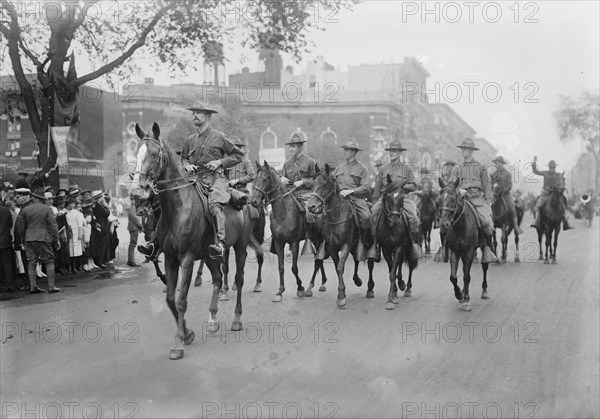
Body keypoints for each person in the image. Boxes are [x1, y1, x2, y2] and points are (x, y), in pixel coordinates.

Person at [140, 98, 243, 260]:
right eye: (193, 112)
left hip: (216, 179)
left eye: (198, 113)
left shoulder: (220, 137)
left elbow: (238, 155)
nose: (194, 115)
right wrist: (187, 165)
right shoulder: (190, 140)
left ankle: (220, 244)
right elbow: (184, 159)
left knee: (214, 205)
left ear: (208, 117)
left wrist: (219, 162)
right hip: (193, 179)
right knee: (169, 203)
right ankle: (155, 243)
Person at [371, 139, 422, 260]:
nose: (392, 153)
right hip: (386, 199)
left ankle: (413, 244)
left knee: (413, 217)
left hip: (403, 198)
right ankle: (375, 247)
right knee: (372, 216)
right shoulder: (383, 169)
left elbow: (414, 185)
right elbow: (378, 188)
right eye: (390, 151)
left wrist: (404, 187)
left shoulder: (407, 169)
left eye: (394, 151)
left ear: (400, 153)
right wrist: (375, 201)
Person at [447, 138, 497, 263]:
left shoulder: (480, 167)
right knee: (447, 222)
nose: (463, 151)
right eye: (462, 149)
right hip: (462, 201)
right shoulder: (457, 168)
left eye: (465, 149)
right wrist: (458, 191)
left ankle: (487, 250)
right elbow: (451, 186)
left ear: (471, 151)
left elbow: (486, 185)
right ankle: (445, 249)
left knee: (487, 224)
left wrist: (488, 200)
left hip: (477, 200)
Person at [16, 188, 61, 293]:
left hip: (29, 238)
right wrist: (56, 239)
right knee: (49, 261)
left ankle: (33, 287)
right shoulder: (47, 209)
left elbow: (21, 227)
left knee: (31, 262)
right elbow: (53, 225)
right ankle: (51, 286)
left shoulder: (25, 209)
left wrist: (23, 239)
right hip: (43, 237)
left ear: (34, 198)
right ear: (42, 199)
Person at [331, 139, 373, 252]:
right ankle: (324, 242)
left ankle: (364, 243)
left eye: (347, 150)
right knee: (322, 216)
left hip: (356, 198)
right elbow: (331, 182)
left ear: (354, 152)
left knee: (366, 217)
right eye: (344, 149)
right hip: (339, 199)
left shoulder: (362, 168)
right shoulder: (339, 168)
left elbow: (365, 187)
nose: (344, 152)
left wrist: (352, 191)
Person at [530, 156, 573, 230]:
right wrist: (534, 163)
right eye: (550, 167)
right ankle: (536, 221)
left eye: (553, 167)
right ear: (549, 167)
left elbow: (561, 183)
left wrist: (561, 188)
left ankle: (565, 221)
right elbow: (535, 171)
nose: (552, 168)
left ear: (555, 167)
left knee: (563, 202)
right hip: (545, 192)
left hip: (555, 193)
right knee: (538, 204)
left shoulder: (558, 175)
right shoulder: (545, 173)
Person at [281, 132, 317, 218]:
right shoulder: (287, 163)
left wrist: (303, 182)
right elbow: (282, 177)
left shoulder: (310, 162)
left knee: (310, 214)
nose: (290, 149)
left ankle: (311, 231)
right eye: (290, 146)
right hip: (290, 195)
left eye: (293, 146)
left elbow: (316, 181)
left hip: (305, 195)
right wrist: (282, 180)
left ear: (300, 147)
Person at [490, 156, 524, 235]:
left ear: (502, 164)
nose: (496, 164)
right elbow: (492, 184)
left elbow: (509, 186)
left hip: (505, 194)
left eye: (498, 163)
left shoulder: (507, 173)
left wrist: (502, 191)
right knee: (488, 206)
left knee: (512, 207)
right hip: (495, 194)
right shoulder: (494, 174)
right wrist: (493, 191)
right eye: (496, 163)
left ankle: (515, 226)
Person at [0, 202, 15, 293]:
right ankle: (10, 285)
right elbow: (10, 225)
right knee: (7, 263)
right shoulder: (6, 210)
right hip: (5, 239)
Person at [127, 193, 142, 267]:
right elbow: (135, 218)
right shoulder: (132, 207)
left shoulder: (132, 207)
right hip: (134, 228)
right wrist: (140, 225)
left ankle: (130, 260)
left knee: (132, 244)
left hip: (133, 228)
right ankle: (131, 261)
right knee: (133, 244)